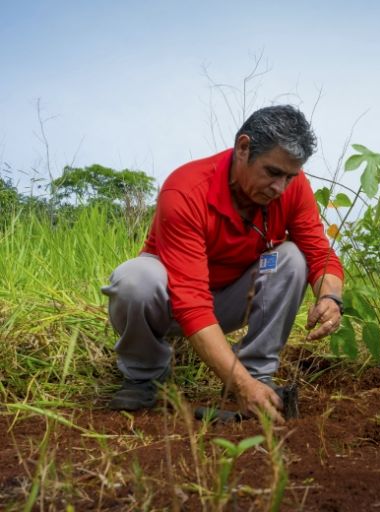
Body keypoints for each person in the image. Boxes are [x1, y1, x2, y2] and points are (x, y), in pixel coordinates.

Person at [101, 105, 344, 422]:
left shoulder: (292, 188)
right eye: (272, 173)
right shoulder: (185, 190)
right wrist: (240, 384)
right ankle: (144, 376)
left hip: (231, 300)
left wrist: (330, 297)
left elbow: (318, 252)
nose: (280, 188)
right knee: (134, 280)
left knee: (292, 259)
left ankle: (259, 377)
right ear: (243, 148)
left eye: (289, 177)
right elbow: (191, 302)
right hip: (170, 301)